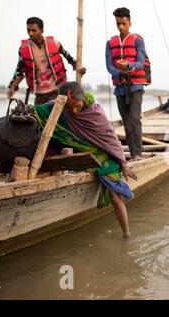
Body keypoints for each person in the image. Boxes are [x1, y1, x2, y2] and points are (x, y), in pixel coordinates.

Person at [33, 82, 136, 238]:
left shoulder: (96, 113)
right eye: (69, 108)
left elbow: (112, 141)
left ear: (83, 99)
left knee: (115, 197)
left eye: (77, 106)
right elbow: (38, 111)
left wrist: (124, 163)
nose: (74, 111)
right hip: (80, 154)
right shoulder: (57, 107)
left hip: (104, 155)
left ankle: (127, 234)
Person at [106, 7, 151, 162]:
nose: (121, 27)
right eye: (118, 24)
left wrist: (128, 65)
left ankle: (137, 154)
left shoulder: (138, 40)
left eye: (123, 23)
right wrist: (119, 71)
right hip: (120, 87)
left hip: (136, 86)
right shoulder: (110, 43)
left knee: (134, 119)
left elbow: (140, 63)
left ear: (129, 23)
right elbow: (109, 67)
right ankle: (132, 154)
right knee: (126, 120)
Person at [7, 17, 86, 105]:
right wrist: (12, 87)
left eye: (34, 30)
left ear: (42, 30)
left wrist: (79, 69)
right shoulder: (23, 49)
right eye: (28, 30)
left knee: (56, 114)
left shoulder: (55, 44)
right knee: (39, 115)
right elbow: (19, 70)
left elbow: (71, 59)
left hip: (57, 90)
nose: (30, 33)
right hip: (39, 92)